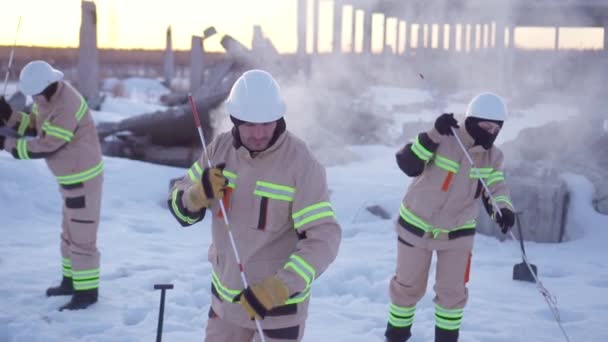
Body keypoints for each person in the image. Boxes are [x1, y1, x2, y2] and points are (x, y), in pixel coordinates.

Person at [168, 69, 341, 341]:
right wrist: (195, 195)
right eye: (250, 124)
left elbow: (324, 239)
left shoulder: (301, 163)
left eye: (267, 123)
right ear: (235, 120)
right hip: (225, 309)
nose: (259, 133)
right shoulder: (219, 150)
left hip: (278, 312)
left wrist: (281, 287)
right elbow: (179, 204)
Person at [384, 93, 515, 342]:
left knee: (452, 294)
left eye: (496, 128)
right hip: (416, 227)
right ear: (473, 120)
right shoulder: (445, 137)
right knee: (406, 289)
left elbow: (496, 187)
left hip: (457, 234)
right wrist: (433, 134)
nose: (491, 131)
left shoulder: (493, 157)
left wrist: (504, 209)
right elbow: (408, 163)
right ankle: (396, 337)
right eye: (486, 125)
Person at [0, 60, 103, 311]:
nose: (33, 99)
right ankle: (70, 282)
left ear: (45, 87)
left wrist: (6, 144)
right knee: (69, 235)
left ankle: (87, 293)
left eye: (34, 94)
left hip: (82, 179)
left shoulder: (66, 106)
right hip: (70, 179)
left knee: (82, 239)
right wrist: (7, 115)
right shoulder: (50, 97)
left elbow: (47, 144)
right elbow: (37, 126)